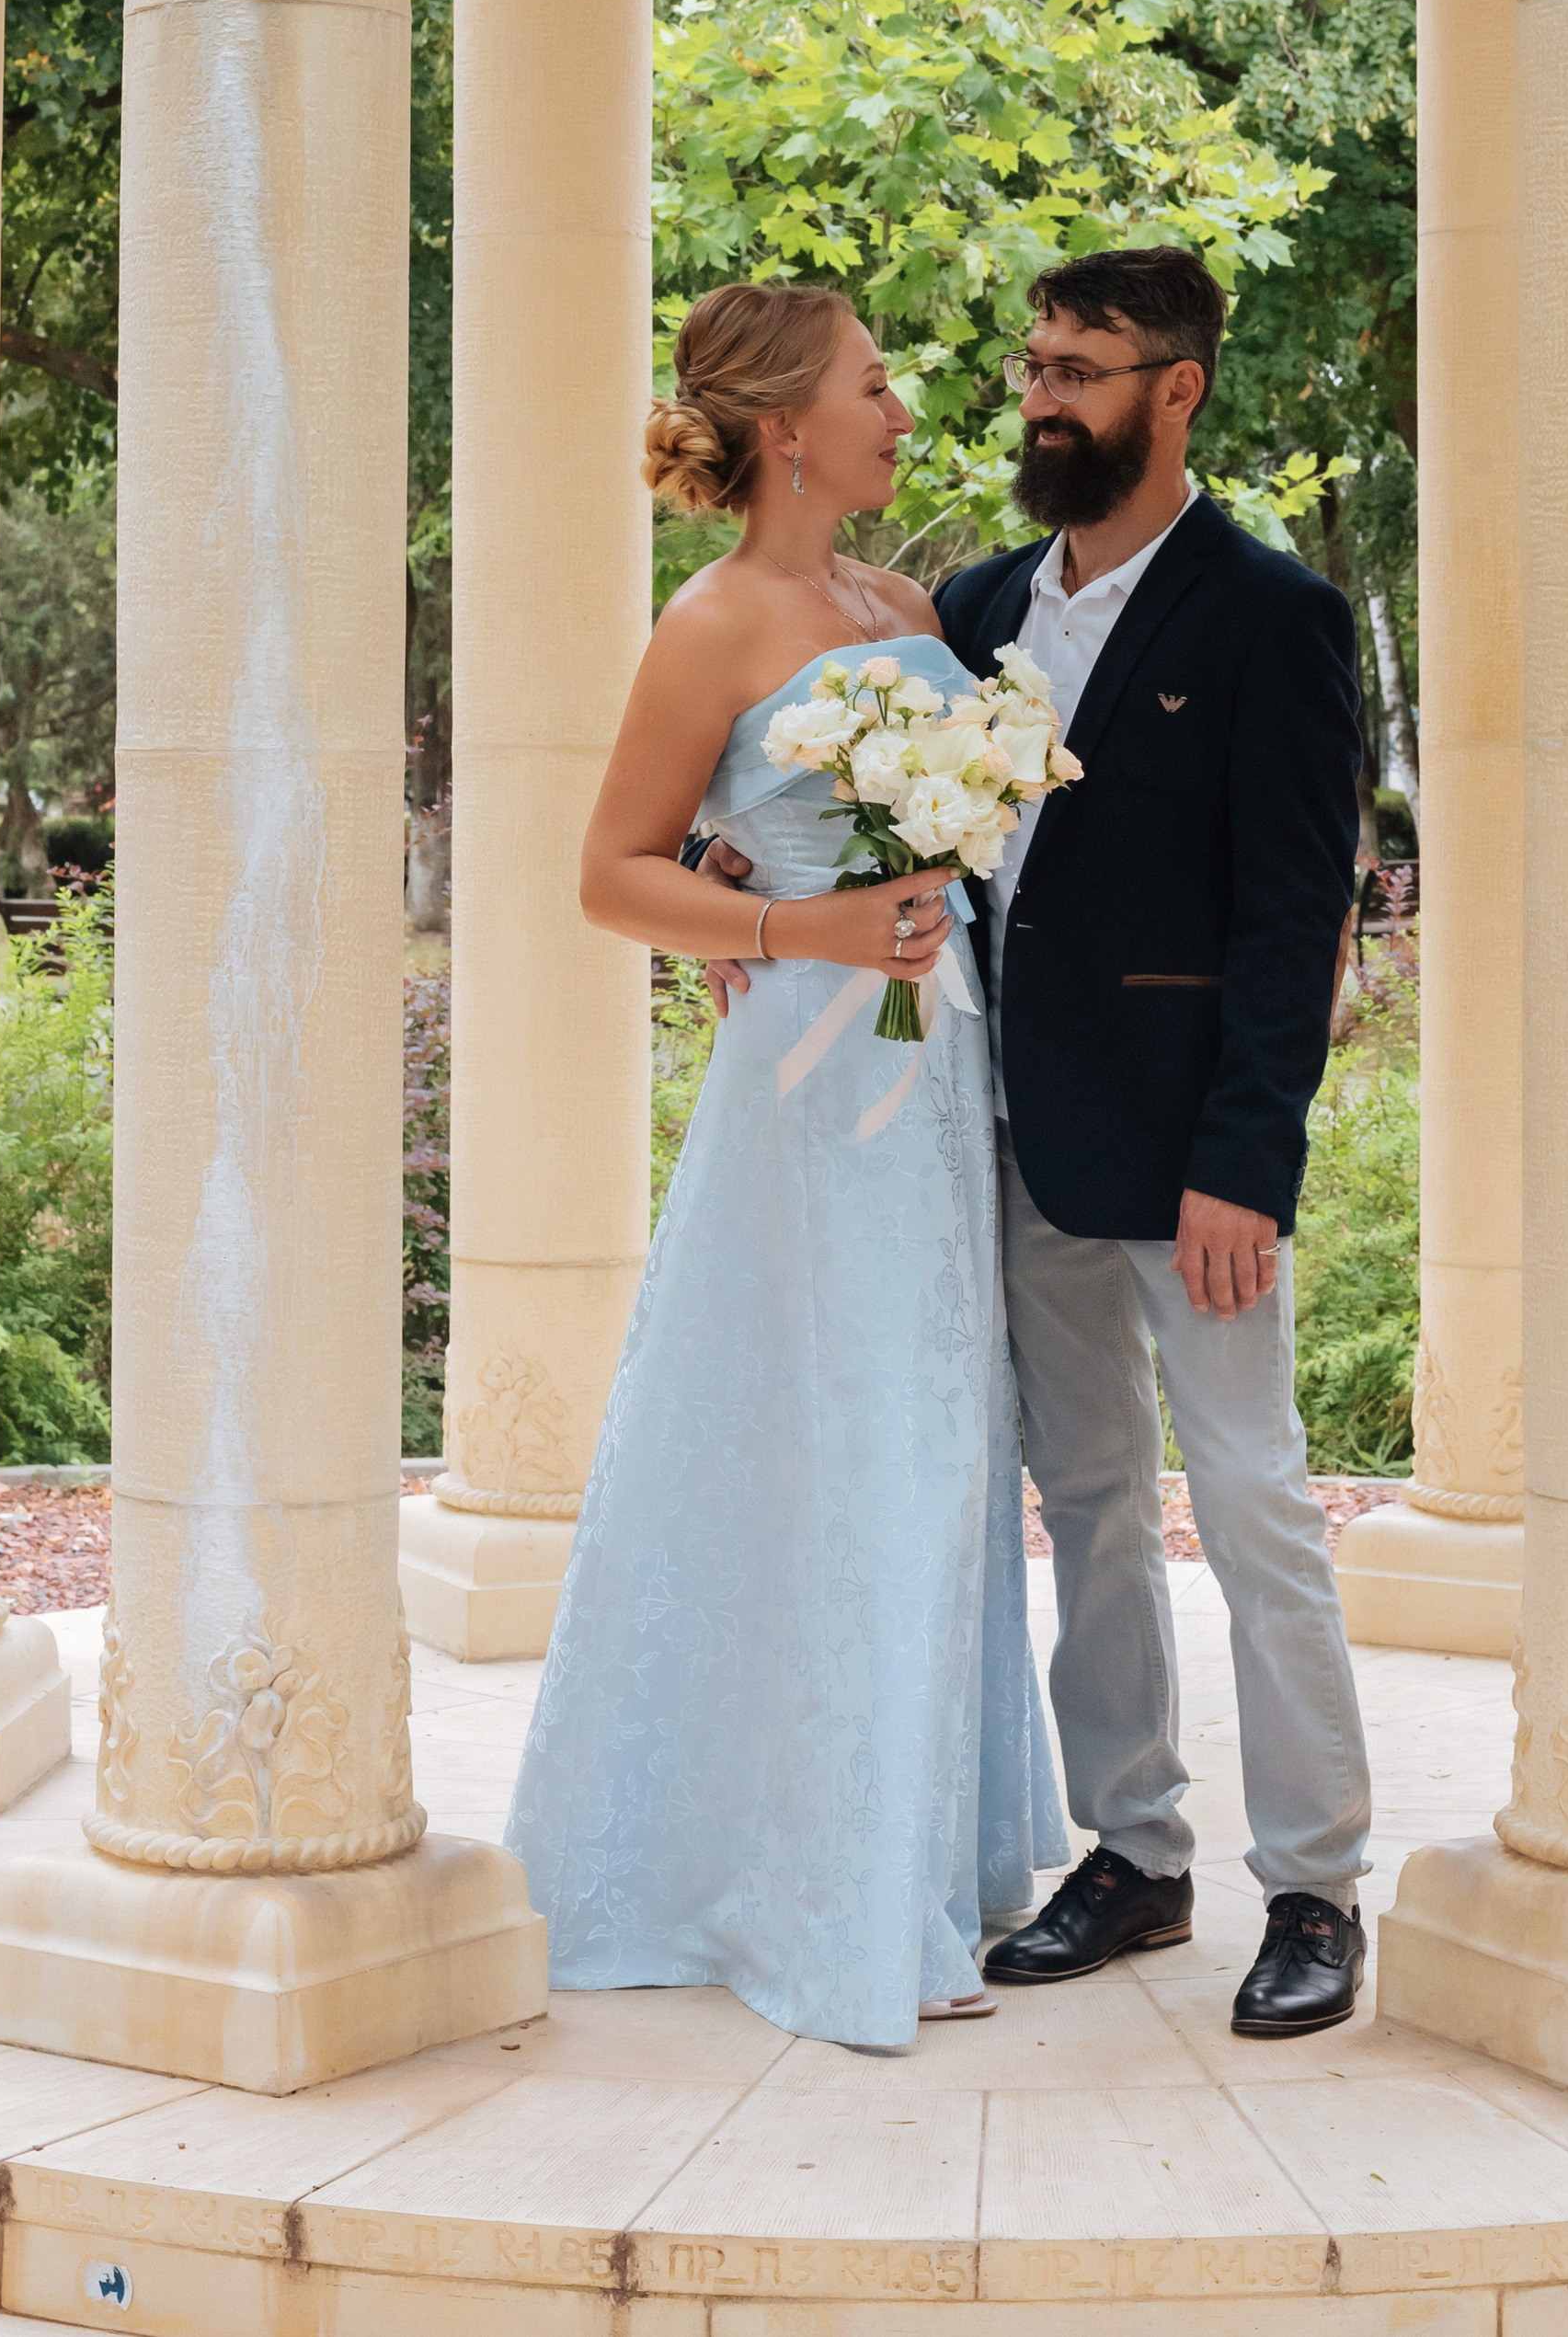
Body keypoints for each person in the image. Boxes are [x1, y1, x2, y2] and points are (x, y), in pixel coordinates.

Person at [707, 246, 1373, 2041]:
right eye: (1030, 366)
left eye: (1080, 370)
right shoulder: (971, 605)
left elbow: (1290, 916)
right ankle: (1134, 1850)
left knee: (1247, 1503)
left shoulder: (1268, 617)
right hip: (997, 1141)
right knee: (1081, 1502)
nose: (1039, 398)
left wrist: (1246, 1159)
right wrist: (738, 872)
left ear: (1176, 392)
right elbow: (860, 810)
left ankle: (1311, 1885)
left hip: (1192, 1163)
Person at [502, 280, 1064, 2052]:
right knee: (829, 1434)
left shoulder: (902, 604)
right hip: (813, 1094)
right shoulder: (714, 621)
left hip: (938, 1057)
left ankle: (919, 1850)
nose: (907, 407)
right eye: (877, 381)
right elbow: (609, 869)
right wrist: (790, 918)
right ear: (787, 426)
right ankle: (810, 1886)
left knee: (935, 1439)